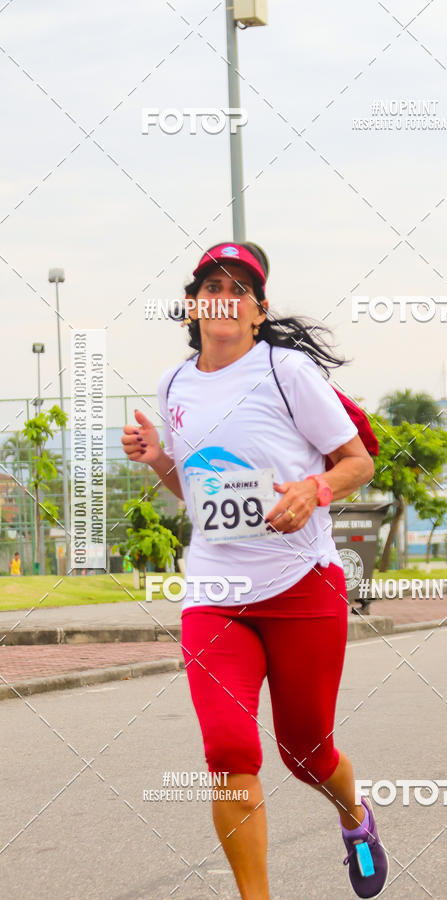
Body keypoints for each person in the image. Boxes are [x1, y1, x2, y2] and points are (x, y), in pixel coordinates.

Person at [121, 241, 389, 899]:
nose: (224, 296)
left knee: (305, 755)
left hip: (303, 587)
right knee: (229, 751)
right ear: (192, 305)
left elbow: (358, 461)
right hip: (214, 593)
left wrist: (313, 491)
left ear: (258, 309)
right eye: (212, 284)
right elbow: (201, 499)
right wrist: (160, 459)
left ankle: (354, 816)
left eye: (239, 288)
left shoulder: (286, 371)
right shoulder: (173, 385)